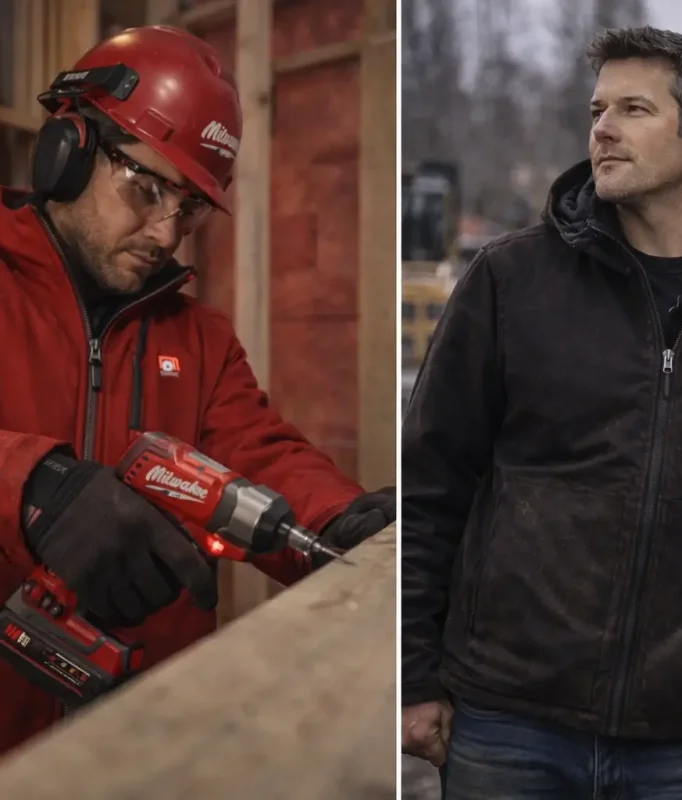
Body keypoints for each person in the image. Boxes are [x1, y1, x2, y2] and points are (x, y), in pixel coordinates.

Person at [402, 24, 682, 799]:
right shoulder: (510, 281)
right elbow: (430, 486)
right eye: (596, 110)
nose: (603, 130)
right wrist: (414, 677)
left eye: (633, 109)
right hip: (507, 723)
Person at [0, 25, 394, 757]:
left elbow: (260, 454)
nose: (166, 230)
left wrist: (342, 521)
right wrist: (31, 485)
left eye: (189, 209)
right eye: (146, 188)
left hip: (149, 752)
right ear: (67, 149)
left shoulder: (199, 338)